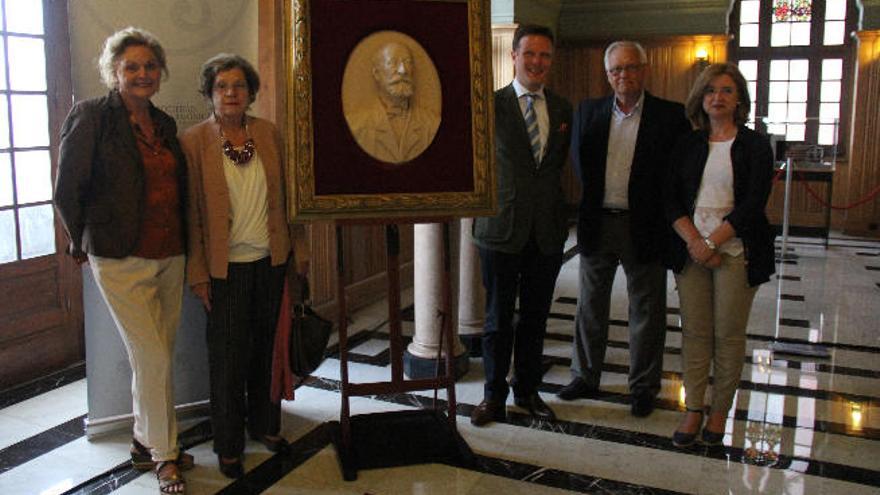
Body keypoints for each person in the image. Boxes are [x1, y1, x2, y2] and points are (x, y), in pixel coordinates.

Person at [54, 27, 192, 494]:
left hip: (170, 253)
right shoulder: (91, 117)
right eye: (131, 66)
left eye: (150, 66)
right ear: (114, 72)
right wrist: (80, 241)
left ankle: (141, 440)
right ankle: (165, 456)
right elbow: (66, 189)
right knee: (152, 356)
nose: (142, 73)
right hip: (118, 255)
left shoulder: (165, 124)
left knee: (155, 357)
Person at [182, 54, 299, 479]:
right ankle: (228, 444)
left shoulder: (269, 134)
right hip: (223, 270)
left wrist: (294, 260)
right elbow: (190, 216)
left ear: (251, 92)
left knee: (266, 353)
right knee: (228, 360)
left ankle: (266, 425)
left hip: (270, 262)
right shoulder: (193, 142)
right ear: (210, 94)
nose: (230, 94)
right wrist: (197, 275)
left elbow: (288, 199)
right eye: (221, 87)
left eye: (238, 86)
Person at [559, 41, 690, 417]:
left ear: (644, 70)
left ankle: (643, 386)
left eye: (630, 68)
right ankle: (585, 375)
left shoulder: (670, 116)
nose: (623, 76)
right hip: (598, 220)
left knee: (647, 309)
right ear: (607, 75)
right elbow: (579, 161)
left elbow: (675, 175)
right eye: (615, 70)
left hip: (645, 224)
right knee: (590, 304)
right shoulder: (589, 111)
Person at [666, 62, 774, 447]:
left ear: (739, 98)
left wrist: (713, 243)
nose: (718, 97)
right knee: (695, 332)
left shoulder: (756, 145)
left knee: (727, 335)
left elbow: (752, 204)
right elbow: (671, 199)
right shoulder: (688, 144)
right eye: (711, 90)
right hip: (691, 247)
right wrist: (696, 242)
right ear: (701, 97)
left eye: (727, 90)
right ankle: (694, 408)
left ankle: (718, 411)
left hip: (737, 249)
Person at [471, 24, 572, 427]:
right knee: (496, 318)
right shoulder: (489, 106)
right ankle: (493, 395)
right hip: (499, 229)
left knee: (535, 316)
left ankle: (527, 391)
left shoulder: (563, 109)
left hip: (545, 231)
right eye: (529, 53)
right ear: (513, 56)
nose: (537, 62)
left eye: (545, 55)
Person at [347, 41, 440, 163]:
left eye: (407, 62)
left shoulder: (432, 125)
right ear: (377, 74)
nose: (403, 70)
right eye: (392, 63)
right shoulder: (356, 126)